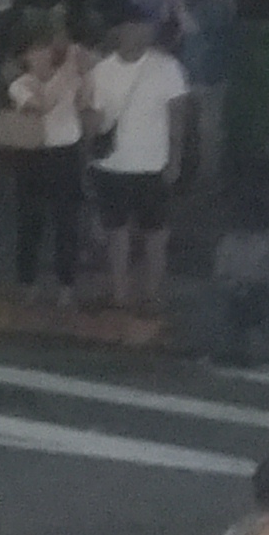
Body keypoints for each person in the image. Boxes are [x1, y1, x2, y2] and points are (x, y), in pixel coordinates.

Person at [85, 16, 192, 318]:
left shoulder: (167, 67)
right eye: (132, 27)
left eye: (144, 28)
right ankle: (119, 295)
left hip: (152, 165)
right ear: (119, 31)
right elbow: (94, 118)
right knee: (116, 233)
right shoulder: (101, 71)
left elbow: (177, 117)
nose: (140, 34)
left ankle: (151, 296)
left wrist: (175, 158)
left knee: (155, 235)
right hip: (111, 164)